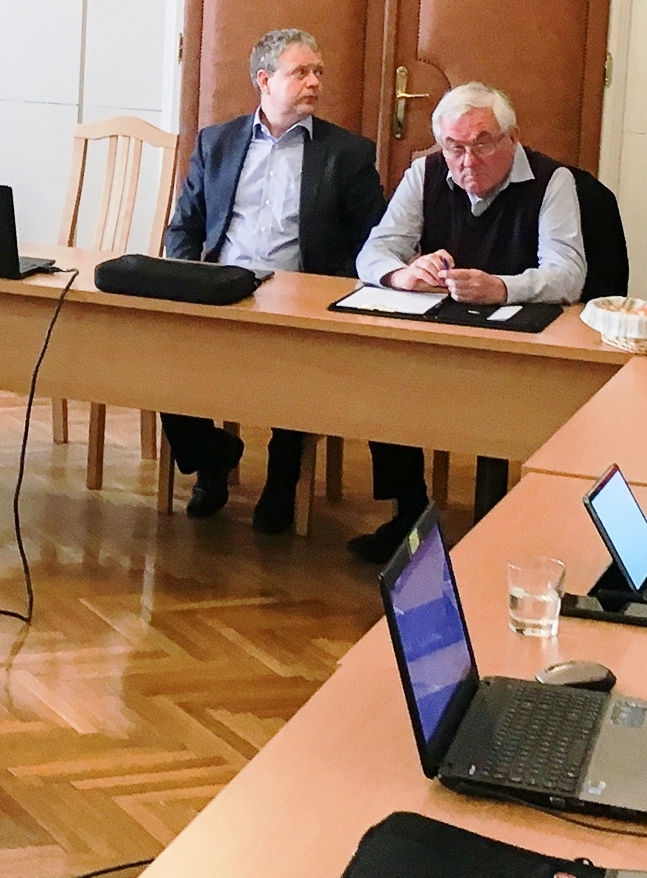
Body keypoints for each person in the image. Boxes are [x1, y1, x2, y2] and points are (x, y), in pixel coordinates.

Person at [349, 82, 588, 563]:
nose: (467, 161)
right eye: (454, 147)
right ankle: (409, 514)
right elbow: (374, 251)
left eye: (482, 144)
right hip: (441, 333)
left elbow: (569, 274)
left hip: (521, 345)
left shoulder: (552, 181)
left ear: (512, 139)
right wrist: (401, 274)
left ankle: (509, 528)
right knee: (384, 373)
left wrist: (501, 287)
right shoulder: (425, 173)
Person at [159, 29, 385, 532]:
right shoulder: (217, 142)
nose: (314, 82)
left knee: (298, 365)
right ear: (264, 80)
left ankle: (284, 477)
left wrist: (331, 293)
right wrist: (187, 280)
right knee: (163, 354)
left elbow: (374, 240)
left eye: (318, 72)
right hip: (222, 291)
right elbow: (185, 227)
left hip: (302, 298)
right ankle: (212, 456)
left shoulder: (346, 153)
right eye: (301, 72)